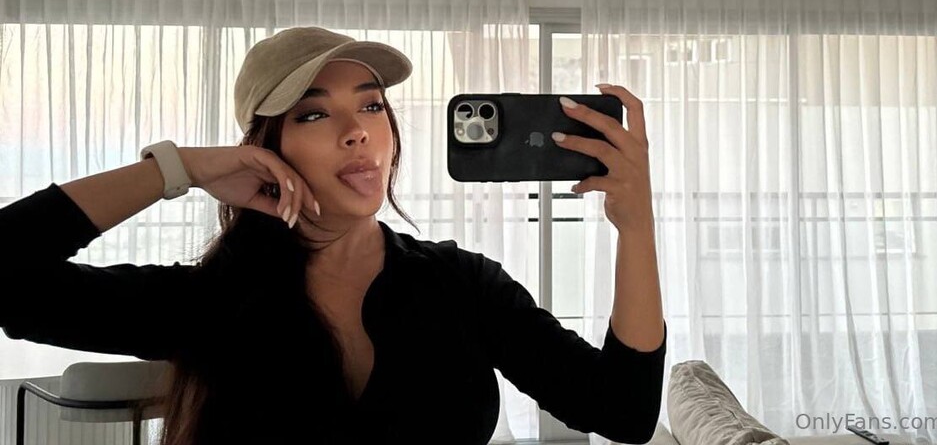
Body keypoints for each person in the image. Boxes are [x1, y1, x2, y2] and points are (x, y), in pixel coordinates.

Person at [0, 27, 667, 445]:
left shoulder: (462, 285)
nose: (358, 132)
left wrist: (636, 224)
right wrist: (177, 168)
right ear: (266, 147)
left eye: (371, 105)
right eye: (314, 114)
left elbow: (623, 411)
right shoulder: (217, 299)